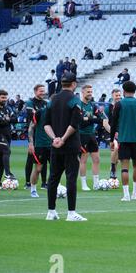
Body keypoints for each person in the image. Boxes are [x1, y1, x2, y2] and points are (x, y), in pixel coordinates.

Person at [44, 72, 86, 221]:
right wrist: (63, 138)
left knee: (53, 178)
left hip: (55, 146)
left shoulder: (52, 100)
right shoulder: (75, 100)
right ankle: (71, 213)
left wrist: (55, 138)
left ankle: (51, 211)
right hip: (71, 145)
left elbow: (46, 124)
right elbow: (74, 124)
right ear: (74, 84)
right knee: (71, 178)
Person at [110, 81, 136, 201]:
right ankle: (135, 193)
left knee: (124, 167)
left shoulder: (118, 105)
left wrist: (112, 139)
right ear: (135, 91)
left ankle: (126, 195)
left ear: (123, 91)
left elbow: (113, 124)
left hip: (123, 140)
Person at [0, 90, 17, 189]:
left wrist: (7, 119)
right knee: (6, 150)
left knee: (1, 159)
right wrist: (8, 119)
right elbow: (0, 121)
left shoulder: (8, 108)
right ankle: (8, 173)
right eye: (2, 97)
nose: (4, 100)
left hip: (7, 135)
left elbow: (16, 119)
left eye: (5, 98)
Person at [77, 85, 103, 191]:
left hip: (92, 135)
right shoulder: (79, 105)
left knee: (96, 159)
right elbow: (81, 121)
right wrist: (92, 118)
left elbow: (100, 119)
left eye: (91, 91)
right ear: (83, 92)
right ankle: (84, 184)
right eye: (88, 91)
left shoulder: (93, 105)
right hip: (81, 135)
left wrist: (88, 118)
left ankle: (96, 183)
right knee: (83, 160)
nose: (90, 93)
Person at [24, 84, 49, 190]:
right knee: (31, 158)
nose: (43, 93)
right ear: (35, 92)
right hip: (34, 133)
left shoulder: (46, 103)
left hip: (44, 134)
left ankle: (44, 183)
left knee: (44, 159)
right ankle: (28, 182)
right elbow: (32, 114)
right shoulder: (30, 102)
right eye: (40, 91)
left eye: (44, 91)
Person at [27, 96, 51, 198]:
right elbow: (31, 127)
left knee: (57, 168)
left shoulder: (60, 114)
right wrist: (31, 143)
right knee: (38, 168)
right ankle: (33, 189)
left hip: (54, 145)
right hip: (40, 145)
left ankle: (54, 188)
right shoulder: (40, 112)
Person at [102, 89, 122, 179]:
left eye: (119, 95)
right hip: (110, 133)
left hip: (121, 133)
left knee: (117, 157)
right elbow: (105, 124)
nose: (118, 97)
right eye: (116, 95)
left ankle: (112, 174)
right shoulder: (107, 108)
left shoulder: (122, 107)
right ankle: (113, 169)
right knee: (116, 147)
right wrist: (113, 133)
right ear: (112, 96)